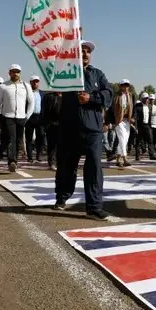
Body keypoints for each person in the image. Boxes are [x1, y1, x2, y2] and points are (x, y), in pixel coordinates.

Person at [54, 40, 114, 221]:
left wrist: (91, 98)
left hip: (93, 129)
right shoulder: (66, 72)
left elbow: (108, 94)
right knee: (66, 166)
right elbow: (54, 78)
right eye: (81, 50)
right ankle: (62, 196)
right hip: (70, 128)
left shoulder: (98, 74)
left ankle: (94, 207)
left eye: (88, 51)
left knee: (94, 166)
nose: (85, 54)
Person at [0, 64, 34, 172]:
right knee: (11, 138)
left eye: (17, 71)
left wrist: (27, 116)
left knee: (18, 140)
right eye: (13, 71)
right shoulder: (3, 86)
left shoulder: (26, 86)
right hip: (8, 117)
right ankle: (12, 161)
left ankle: (14, 160)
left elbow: (31, 102)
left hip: (21, 117)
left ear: (20, 73)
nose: (15, 73)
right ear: (9, 73)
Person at [110, 79, 134, 167]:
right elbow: (111, 109)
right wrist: (110, 122)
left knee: (123, 140)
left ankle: (117, 160)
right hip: (118, 121)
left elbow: (134, 108)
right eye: (124, 85)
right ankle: (125, 159)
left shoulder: (131, 96)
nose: (126, 87)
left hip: (127, 121)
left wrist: (133, 118)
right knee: (122, 139)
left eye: (127, 85)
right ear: (120, 86)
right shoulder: (116, 96)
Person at [25, 75, 45, 162]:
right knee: (29, 138)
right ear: (31, 82)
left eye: (37, 81)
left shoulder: (42, 93)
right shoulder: (27, 93)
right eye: (34, 81)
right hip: (29, 117)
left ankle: (38, 155)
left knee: (40, 136)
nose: (35, 83)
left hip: (39, 117)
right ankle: (30, 157)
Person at [41, 91, 62, 170]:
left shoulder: (66, 96)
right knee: (52, 144)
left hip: (62, 124)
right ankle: (52, 162)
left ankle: (59, 162)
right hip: (51, 124)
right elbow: (44, 111)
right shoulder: (48, 97)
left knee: (61, 145)